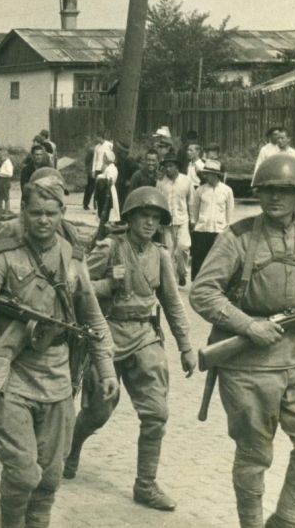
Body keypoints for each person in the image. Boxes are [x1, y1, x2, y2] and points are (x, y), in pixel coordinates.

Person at [0, 174, 117, 528]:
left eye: (52, 213)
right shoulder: (3, 258)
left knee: (50, 479)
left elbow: (94, 320)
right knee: (24, 473)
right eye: (36, 212)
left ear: (62, 215)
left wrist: (107, 370)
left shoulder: (73, 261)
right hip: (10, 376)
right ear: (23, 212)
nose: (44, 220)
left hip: (58, 380)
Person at [190, 154, 295, 528]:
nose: (275, 198)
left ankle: (286, 519)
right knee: (254, 455)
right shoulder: (237, 237)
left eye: (284, 191)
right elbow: (203, 292)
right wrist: (248, 325)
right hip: (248, 367)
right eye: (268, 190)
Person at [64, 186, 196, 511]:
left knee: (156, 413)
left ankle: (146, 485)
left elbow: (173, 303)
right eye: (144, 216)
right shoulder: (110, 248)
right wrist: (107, 285)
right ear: (131, 217)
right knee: (98, 410)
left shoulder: (161, 255)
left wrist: (186, 346)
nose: (149, 223)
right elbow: (73, 285)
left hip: (144, 336)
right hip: (106, 334)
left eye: (155, 218)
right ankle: (70, 447)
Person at [189, 159, 234, 280]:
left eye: (208, 173)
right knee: (199, 259)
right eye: (205, 173)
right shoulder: (200, 190)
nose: (205, 176)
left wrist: (227, 228)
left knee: (217, 261)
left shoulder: (227, 190)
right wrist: (196, 225)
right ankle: (197, 285)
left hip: (219, 231)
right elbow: (195, 210)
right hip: (202, 230)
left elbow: (229, 212)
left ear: (215, 175)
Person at [157, 154, 193, 286]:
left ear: (177, 166)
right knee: (169, 253)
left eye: (171, 166)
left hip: (182, 220)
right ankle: (173, 282)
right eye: (166, 166)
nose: (168, 169)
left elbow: (191, 202)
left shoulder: (186, 181)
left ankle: (182, 273)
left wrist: (193, 220)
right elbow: (158, 202)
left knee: (183, 247)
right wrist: (159, 222)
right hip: (166, 222)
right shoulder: (161, 182)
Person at [0, 149, 14, 220]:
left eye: (1, 157)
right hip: (2, 180)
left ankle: (6, 213)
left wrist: (0, 171)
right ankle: (2, 212)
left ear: (5, 156)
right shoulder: (5, 162)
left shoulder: (8, 163)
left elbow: (9, 173)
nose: (0, 159)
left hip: (5, 180)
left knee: (6, 197)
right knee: (2, 196)